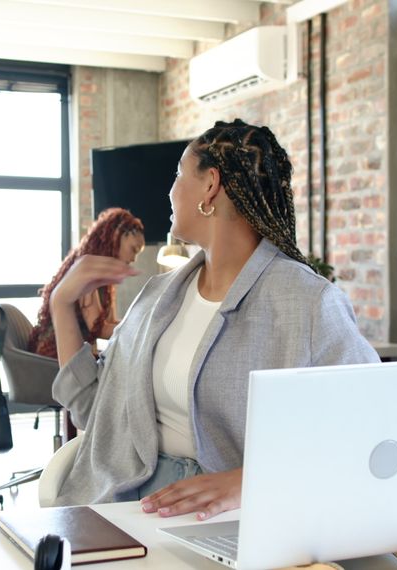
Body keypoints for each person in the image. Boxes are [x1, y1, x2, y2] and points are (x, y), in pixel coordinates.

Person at [48, 120, 379, 519]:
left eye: (178, 174)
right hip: (128, 500)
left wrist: (250, 480)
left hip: (231, 516)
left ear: (210, 185)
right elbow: (94, 410)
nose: (170, 191)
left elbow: (367, 433)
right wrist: (62, 304)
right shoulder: (157, 298)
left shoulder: (308, 303)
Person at [28, 207, 145, 359]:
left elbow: (109, 322)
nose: (134, 259)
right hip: (53, 358)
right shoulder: (87, 269)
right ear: (117, 235)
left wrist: (138, 322)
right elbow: (99, 329)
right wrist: (140, 327)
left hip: (71, 355)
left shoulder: (104, 280)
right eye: (133, 249)